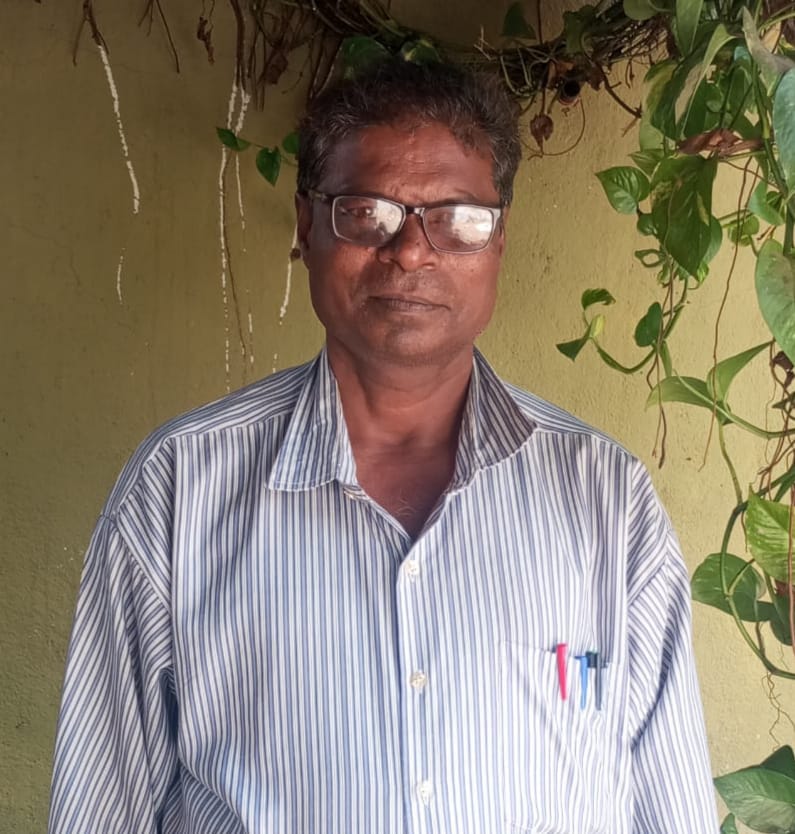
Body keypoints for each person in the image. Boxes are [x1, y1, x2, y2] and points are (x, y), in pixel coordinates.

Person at [48, 58, 719, 834]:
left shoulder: (606, 498)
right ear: (307, 226)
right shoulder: (179, 487)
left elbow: (668, 806)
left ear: (500, 240)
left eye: (457, 218)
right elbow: (101, 808)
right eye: (367, 213)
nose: (410, 252)